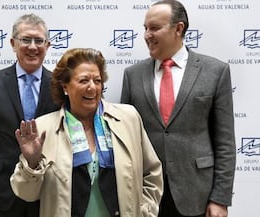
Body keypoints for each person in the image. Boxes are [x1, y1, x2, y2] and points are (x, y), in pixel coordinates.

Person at [10, 48, 163, 217]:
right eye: (83, 81)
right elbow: (26, 193)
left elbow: (152, 172)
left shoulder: (128, 119)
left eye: (97, 81)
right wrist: (32, 163)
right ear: (65, 87)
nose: (92, 87)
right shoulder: (43, 128)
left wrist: (145, 211)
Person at [120, 1, 236, 217]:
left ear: (178, 28)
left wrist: (220, 199)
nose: (147, 35)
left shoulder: (215, 72)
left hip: (197, 196)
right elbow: (125, 138)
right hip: (145, 196)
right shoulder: (132, 75)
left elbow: (225, 142)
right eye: (145, 28)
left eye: (154, 28)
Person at [0, 13, 59, 217]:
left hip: (46, 191)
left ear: (47, 46)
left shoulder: (60, 85)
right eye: (25, 39)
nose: (32, 46)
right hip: (2, 192)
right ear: (13, 43)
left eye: (39, 40)